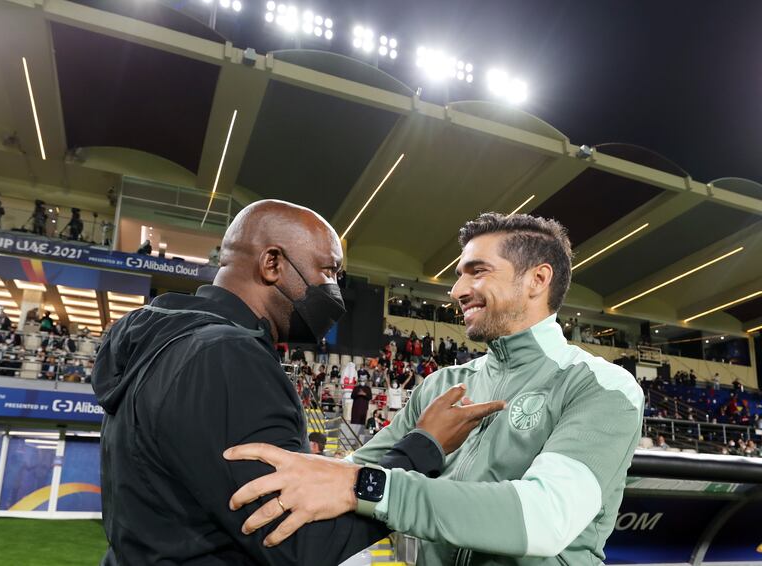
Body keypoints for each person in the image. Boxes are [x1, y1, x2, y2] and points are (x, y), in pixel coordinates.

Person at [93, 200, 500, 565]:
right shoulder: (228, 357)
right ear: (272, 263)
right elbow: (302, 545)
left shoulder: (168, 343)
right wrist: (421, 449)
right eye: (328, 271)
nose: (335, 291)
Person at [226, 212, 644, 565]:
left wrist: (367, 487)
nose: (457, 291)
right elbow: (359, 465)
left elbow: (545, 518)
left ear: (537, 279)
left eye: (477, 271)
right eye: (459, 275)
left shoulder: (601, 386)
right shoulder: (442, 385)